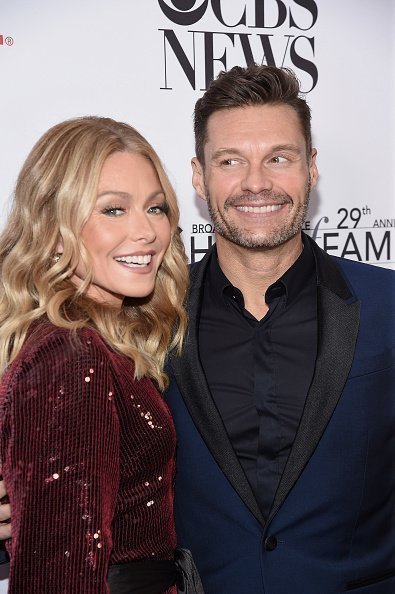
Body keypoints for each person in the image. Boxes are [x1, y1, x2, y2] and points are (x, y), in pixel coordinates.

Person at [164, 65, 395, 593]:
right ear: (199, 176)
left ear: (311, 169)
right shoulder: (149, 317)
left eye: (279, 158)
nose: (256, 183)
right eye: (230, 161)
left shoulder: (388, 306)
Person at [0, 116, 204, 593]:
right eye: (114, 210)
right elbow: (58, 572)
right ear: (53, 227)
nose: (148, 232)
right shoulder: (70, 357)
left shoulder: (102, 342)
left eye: (156, 209)